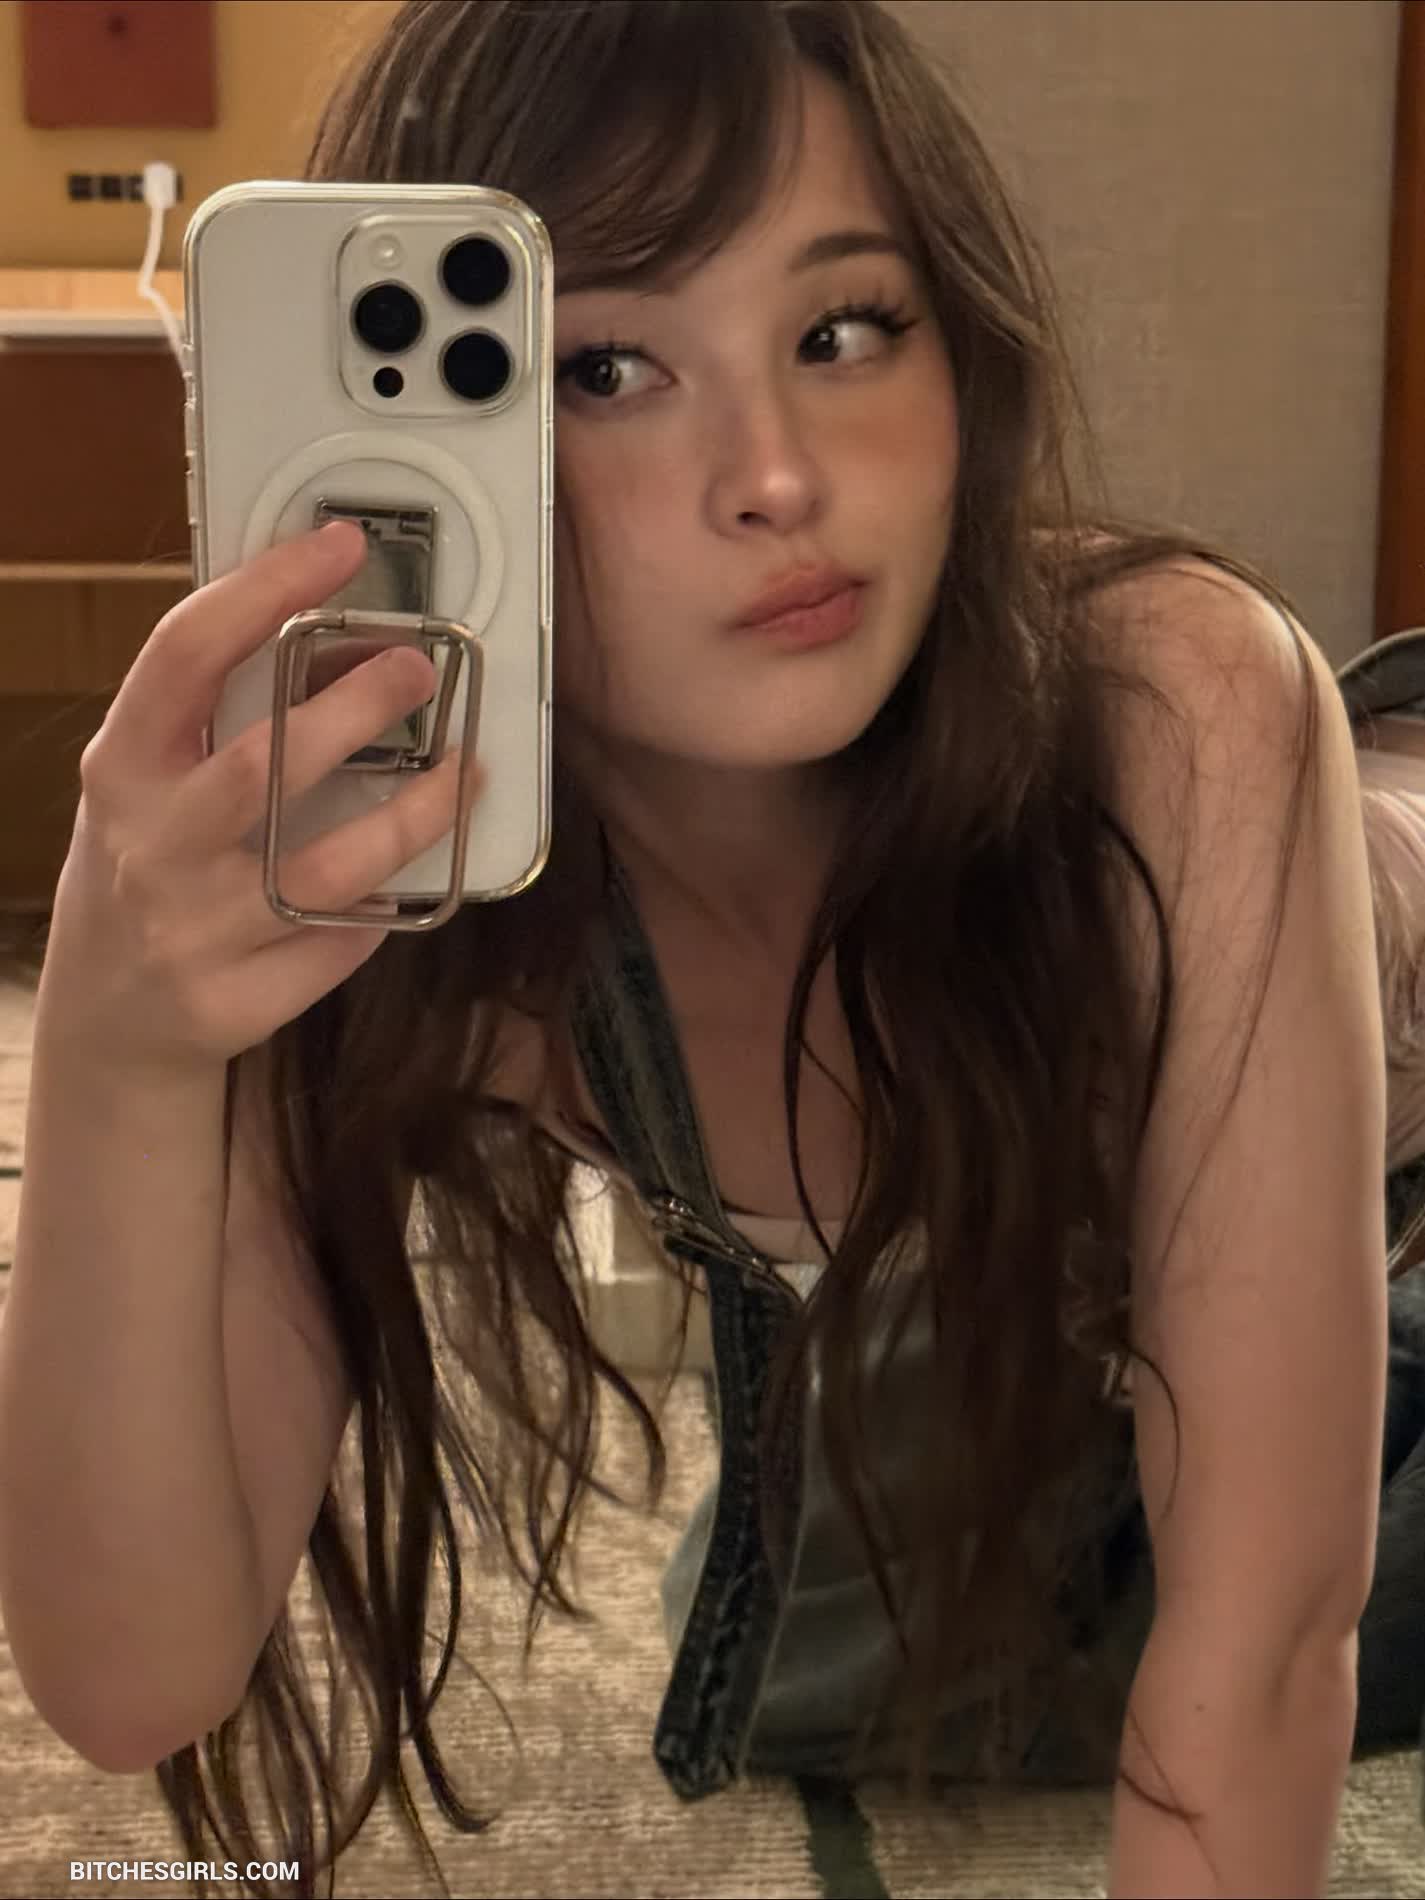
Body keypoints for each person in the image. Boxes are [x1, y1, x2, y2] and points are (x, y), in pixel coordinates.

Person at [1, 2, 1423, 1895]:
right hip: (1027, 1219)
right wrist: (116, 1051)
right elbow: (131, 1677)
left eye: (843, 330)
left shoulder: (1178, 713)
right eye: (603, 367)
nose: (776, 475)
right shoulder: (395, 858)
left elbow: (1264, 1652)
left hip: (1378, 956)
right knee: (858, 1666)